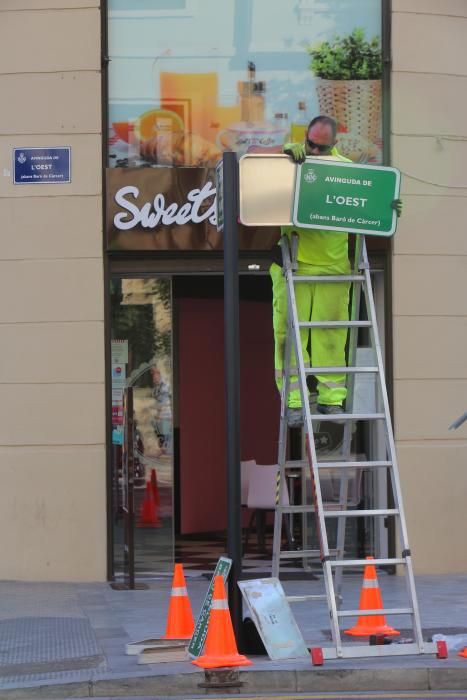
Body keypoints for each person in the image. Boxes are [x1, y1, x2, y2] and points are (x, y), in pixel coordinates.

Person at [271, 115, 401, 426]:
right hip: (295, 262)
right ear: (305, 138)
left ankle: (331, 401)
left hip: (334, 265)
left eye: (321, 147)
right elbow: (260, 171)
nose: (314, 151)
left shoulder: (347, 171)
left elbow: (366, 201)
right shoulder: (291, 161)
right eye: (310, 144)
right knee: (288, 336)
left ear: (335, 143)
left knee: (330, 334)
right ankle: (293, 403)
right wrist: (286, 153)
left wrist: (387, 207)